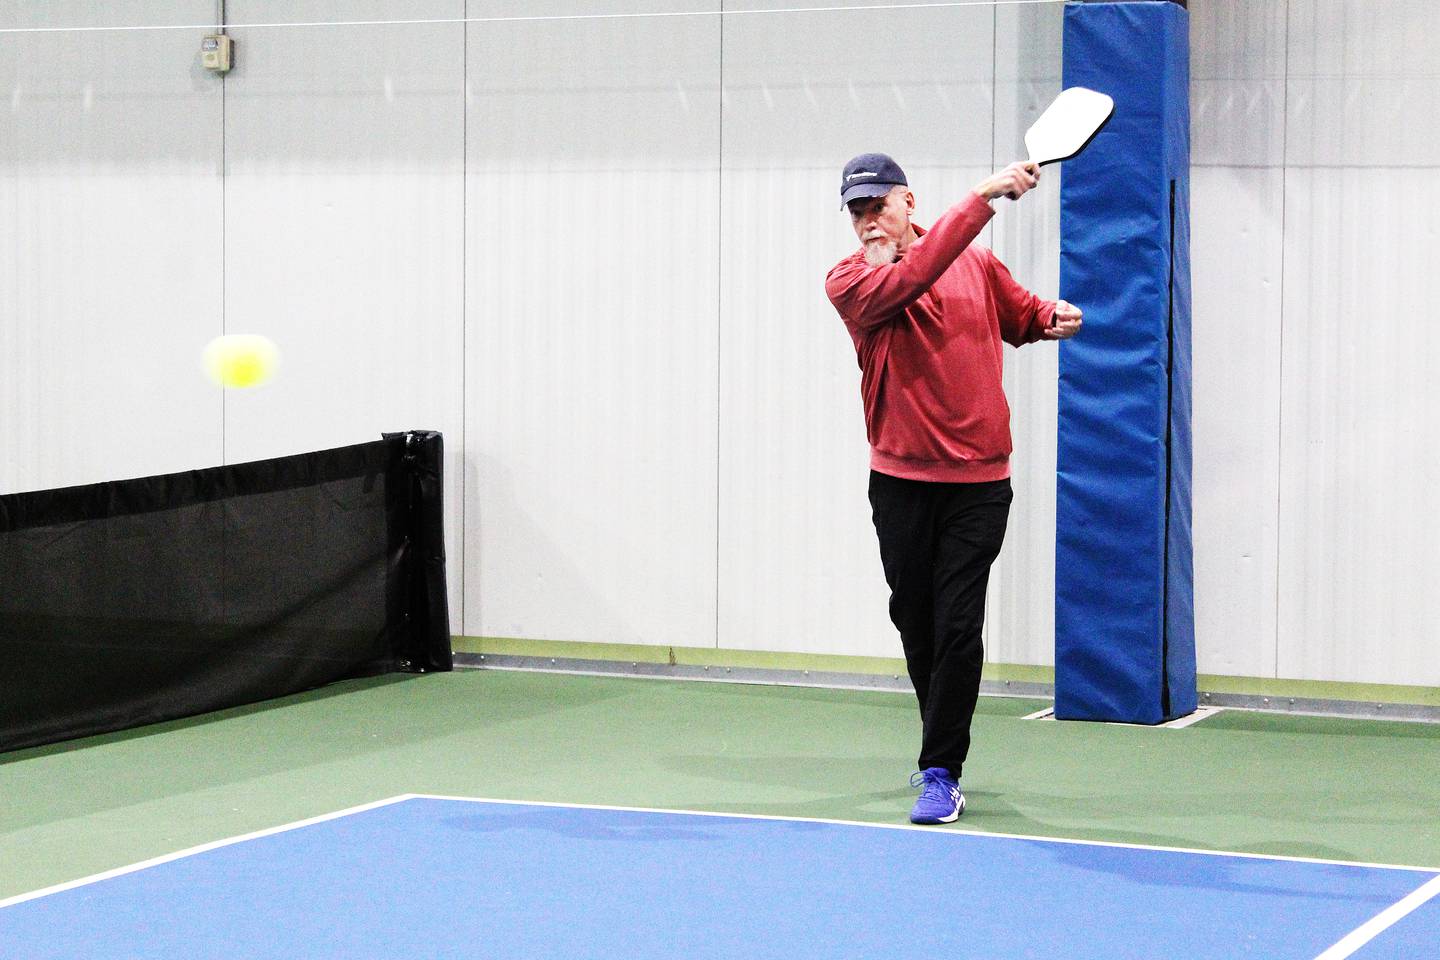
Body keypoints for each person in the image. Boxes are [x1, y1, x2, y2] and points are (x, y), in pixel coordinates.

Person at [824, 152, 1082, 825]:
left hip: (978, 483)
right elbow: (911, 280)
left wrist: (1046, 316)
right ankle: (939, 742)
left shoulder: (974, 260)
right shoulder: (851, 281)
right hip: (900, 484)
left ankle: (941, 767)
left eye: (879, 204)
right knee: (917, 620)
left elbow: (1015, 312)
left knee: (959, 624)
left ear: (908, 200)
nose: (869, 220)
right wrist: (983, 195)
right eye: (858, 211)